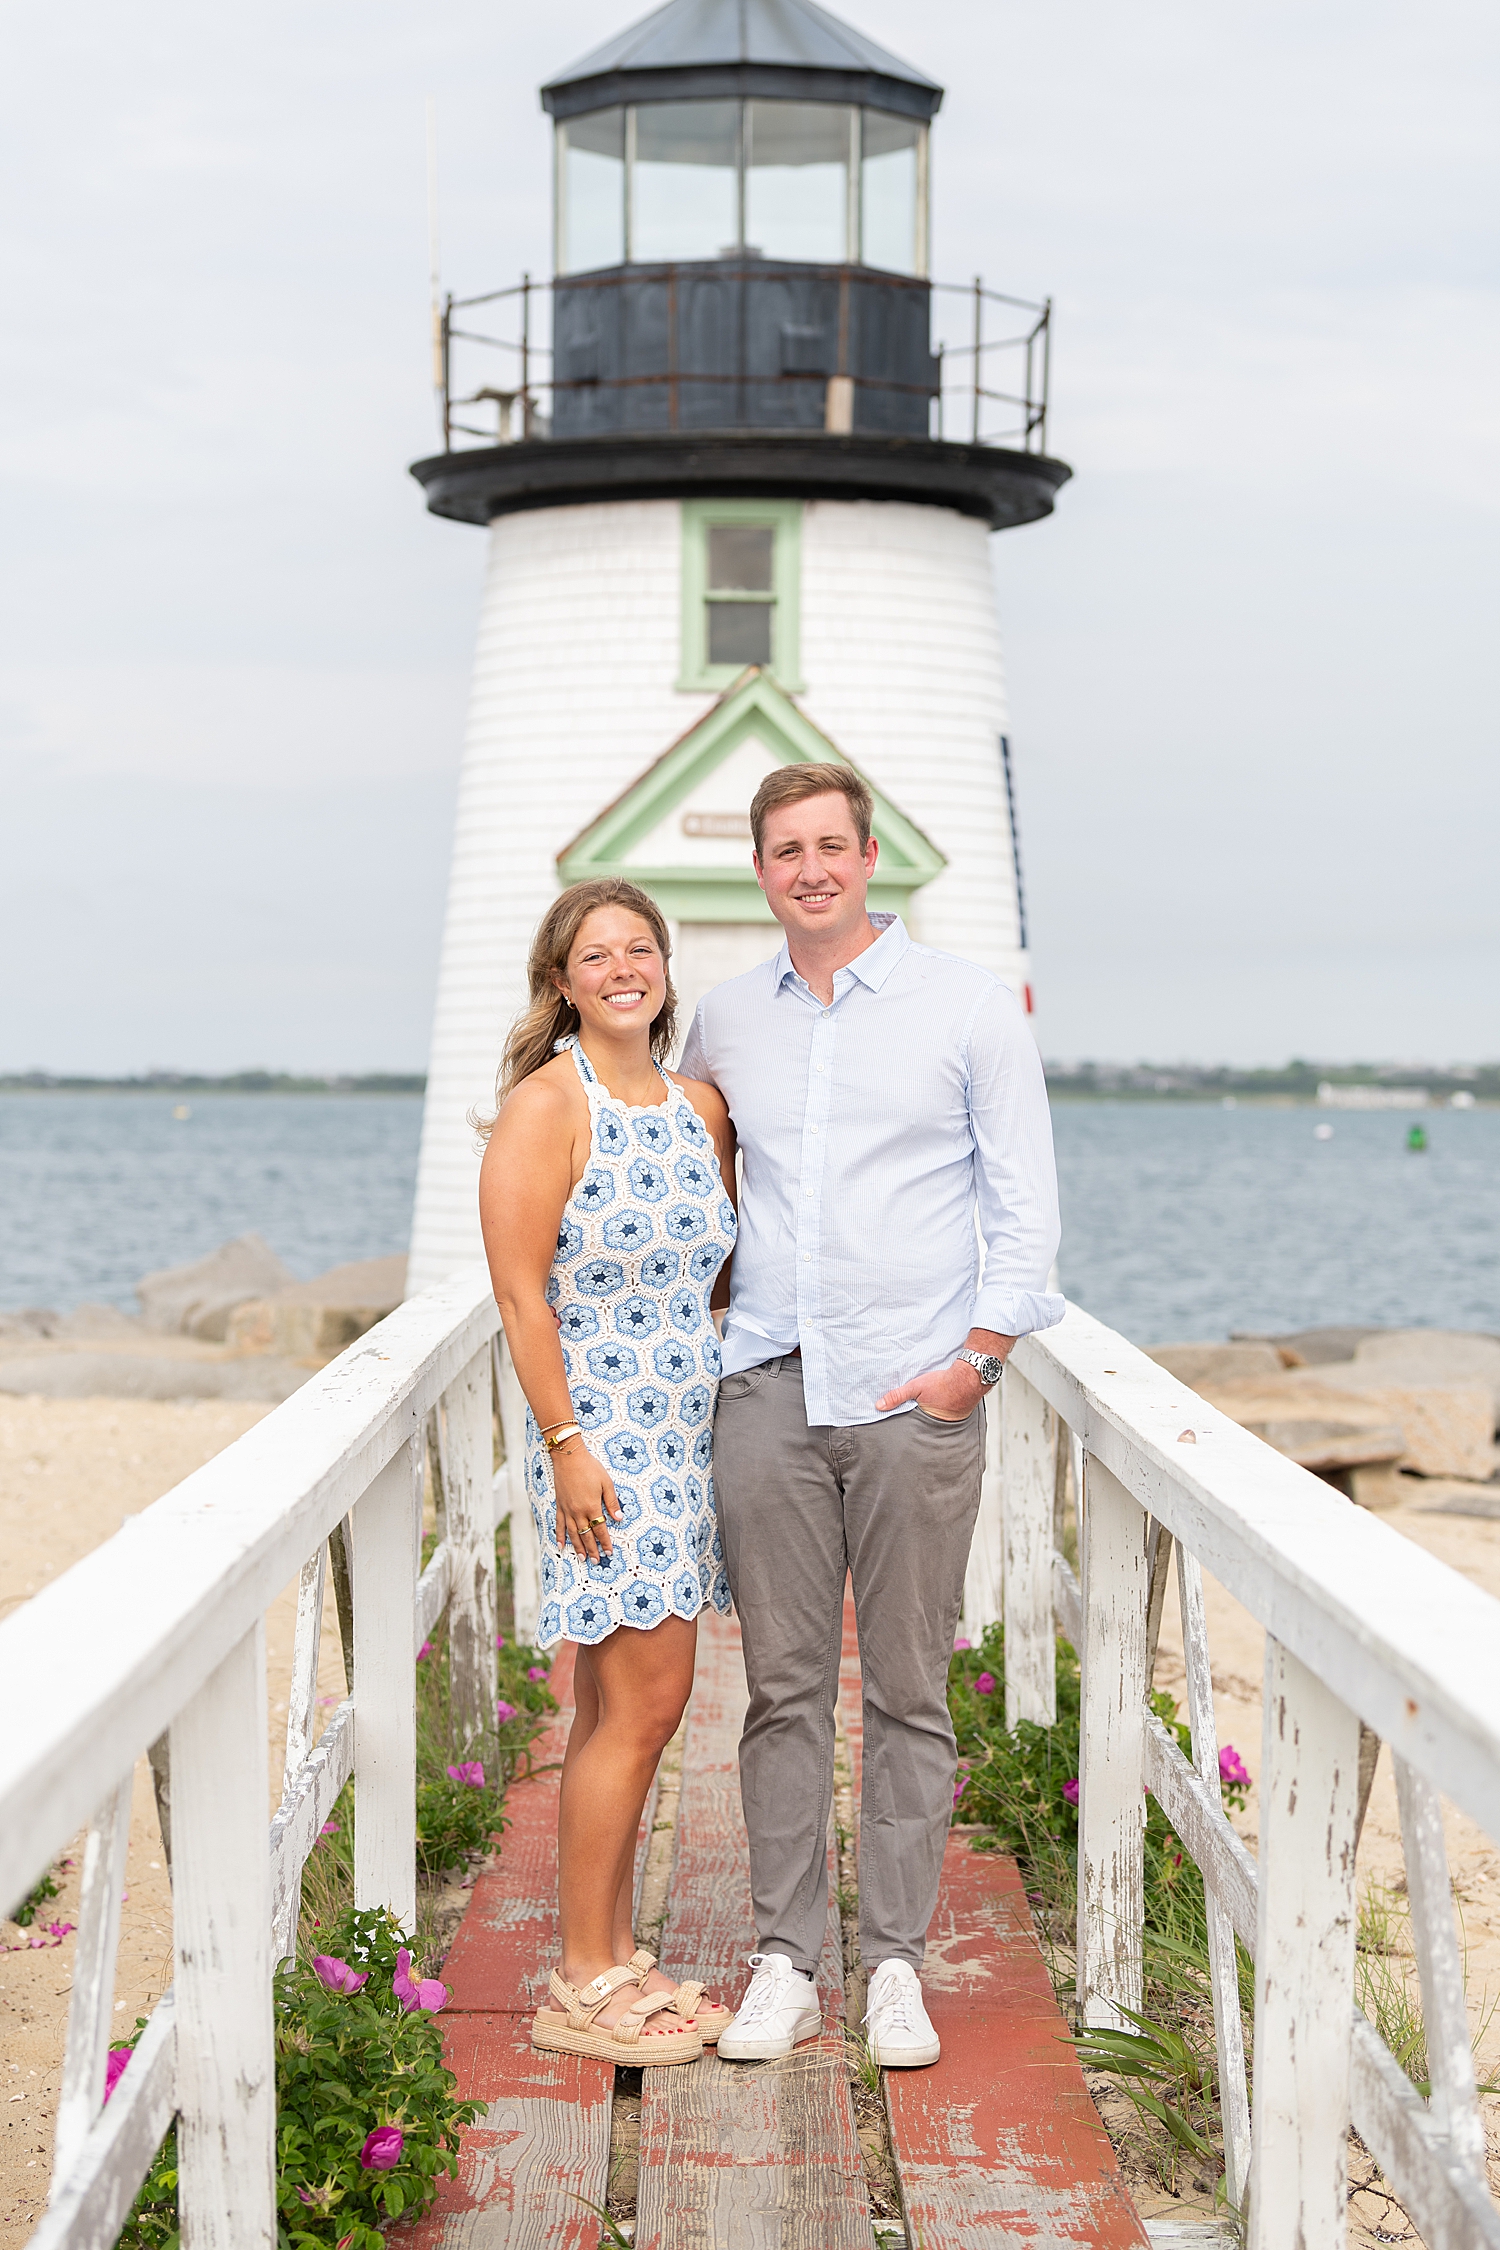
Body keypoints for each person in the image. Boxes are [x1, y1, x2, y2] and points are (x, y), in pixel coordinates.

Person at [679, 762, 1064, 2069]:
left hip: (916, 1395)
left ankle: (894, 1961)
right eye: (786, 849)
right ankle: (787, 1957)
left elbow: (1025, 1203)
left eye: (831, 845)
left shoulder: (969, 1008)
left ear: (871, 853)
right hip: (768, 1390)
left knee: (907, 1690)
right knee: (780, 1690)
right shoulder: (726, 1019)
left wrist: (979, 1360)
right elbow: (690, 1183)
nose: (812, 868)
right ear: (762, 869)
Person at [478, 877, 739, 2067]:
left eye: (642, 948)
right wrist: (564, 1445)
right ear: (563, 982)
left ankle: (612, 1954)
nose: (624, 967)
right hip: (603, 1445)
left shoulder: (699, 1107)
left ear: (666, 972)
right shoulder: (548, 1105)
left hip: (688, 1437)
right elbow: (522, 1295)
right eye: (598, 954)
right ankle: (582, 1981)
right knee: (644, 1708)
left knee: (612, 1710)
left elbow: (720, 1272)